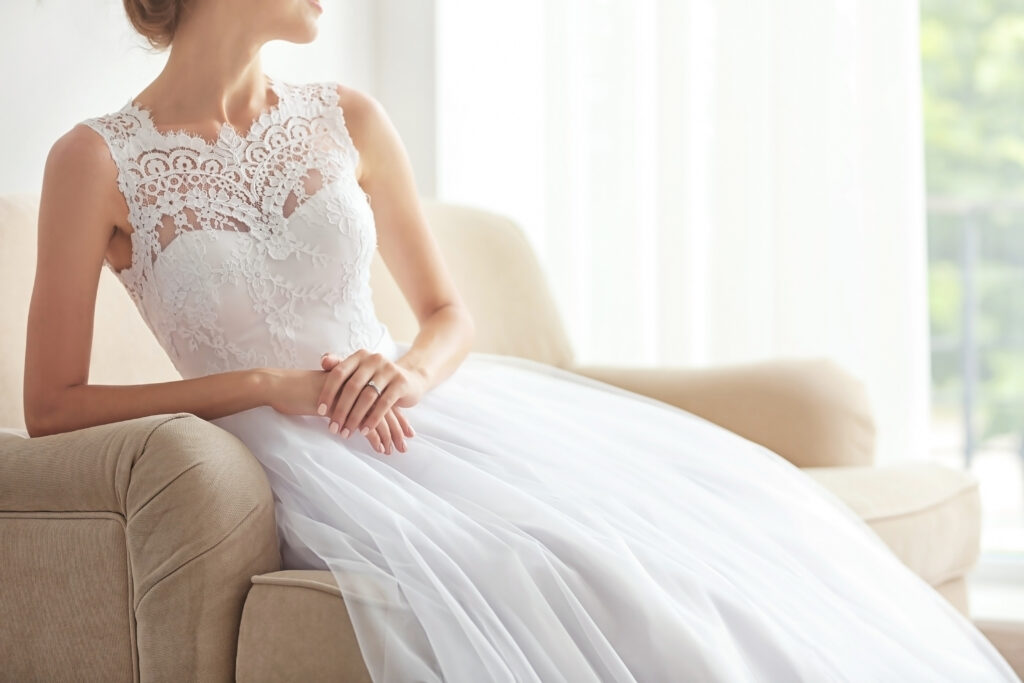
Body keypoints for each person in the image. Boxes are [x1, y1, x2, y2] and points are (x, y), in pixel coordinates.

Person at [23, 0, 1019, 680]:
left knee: (687, 539)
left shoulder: (347, 119)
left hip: (426, 417)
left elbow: (448, 314)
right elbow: (52, 403)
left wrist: (405, 369)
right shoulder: (96, 159)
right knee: (540, 563)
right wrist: (266, 383)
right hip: (289, 457)